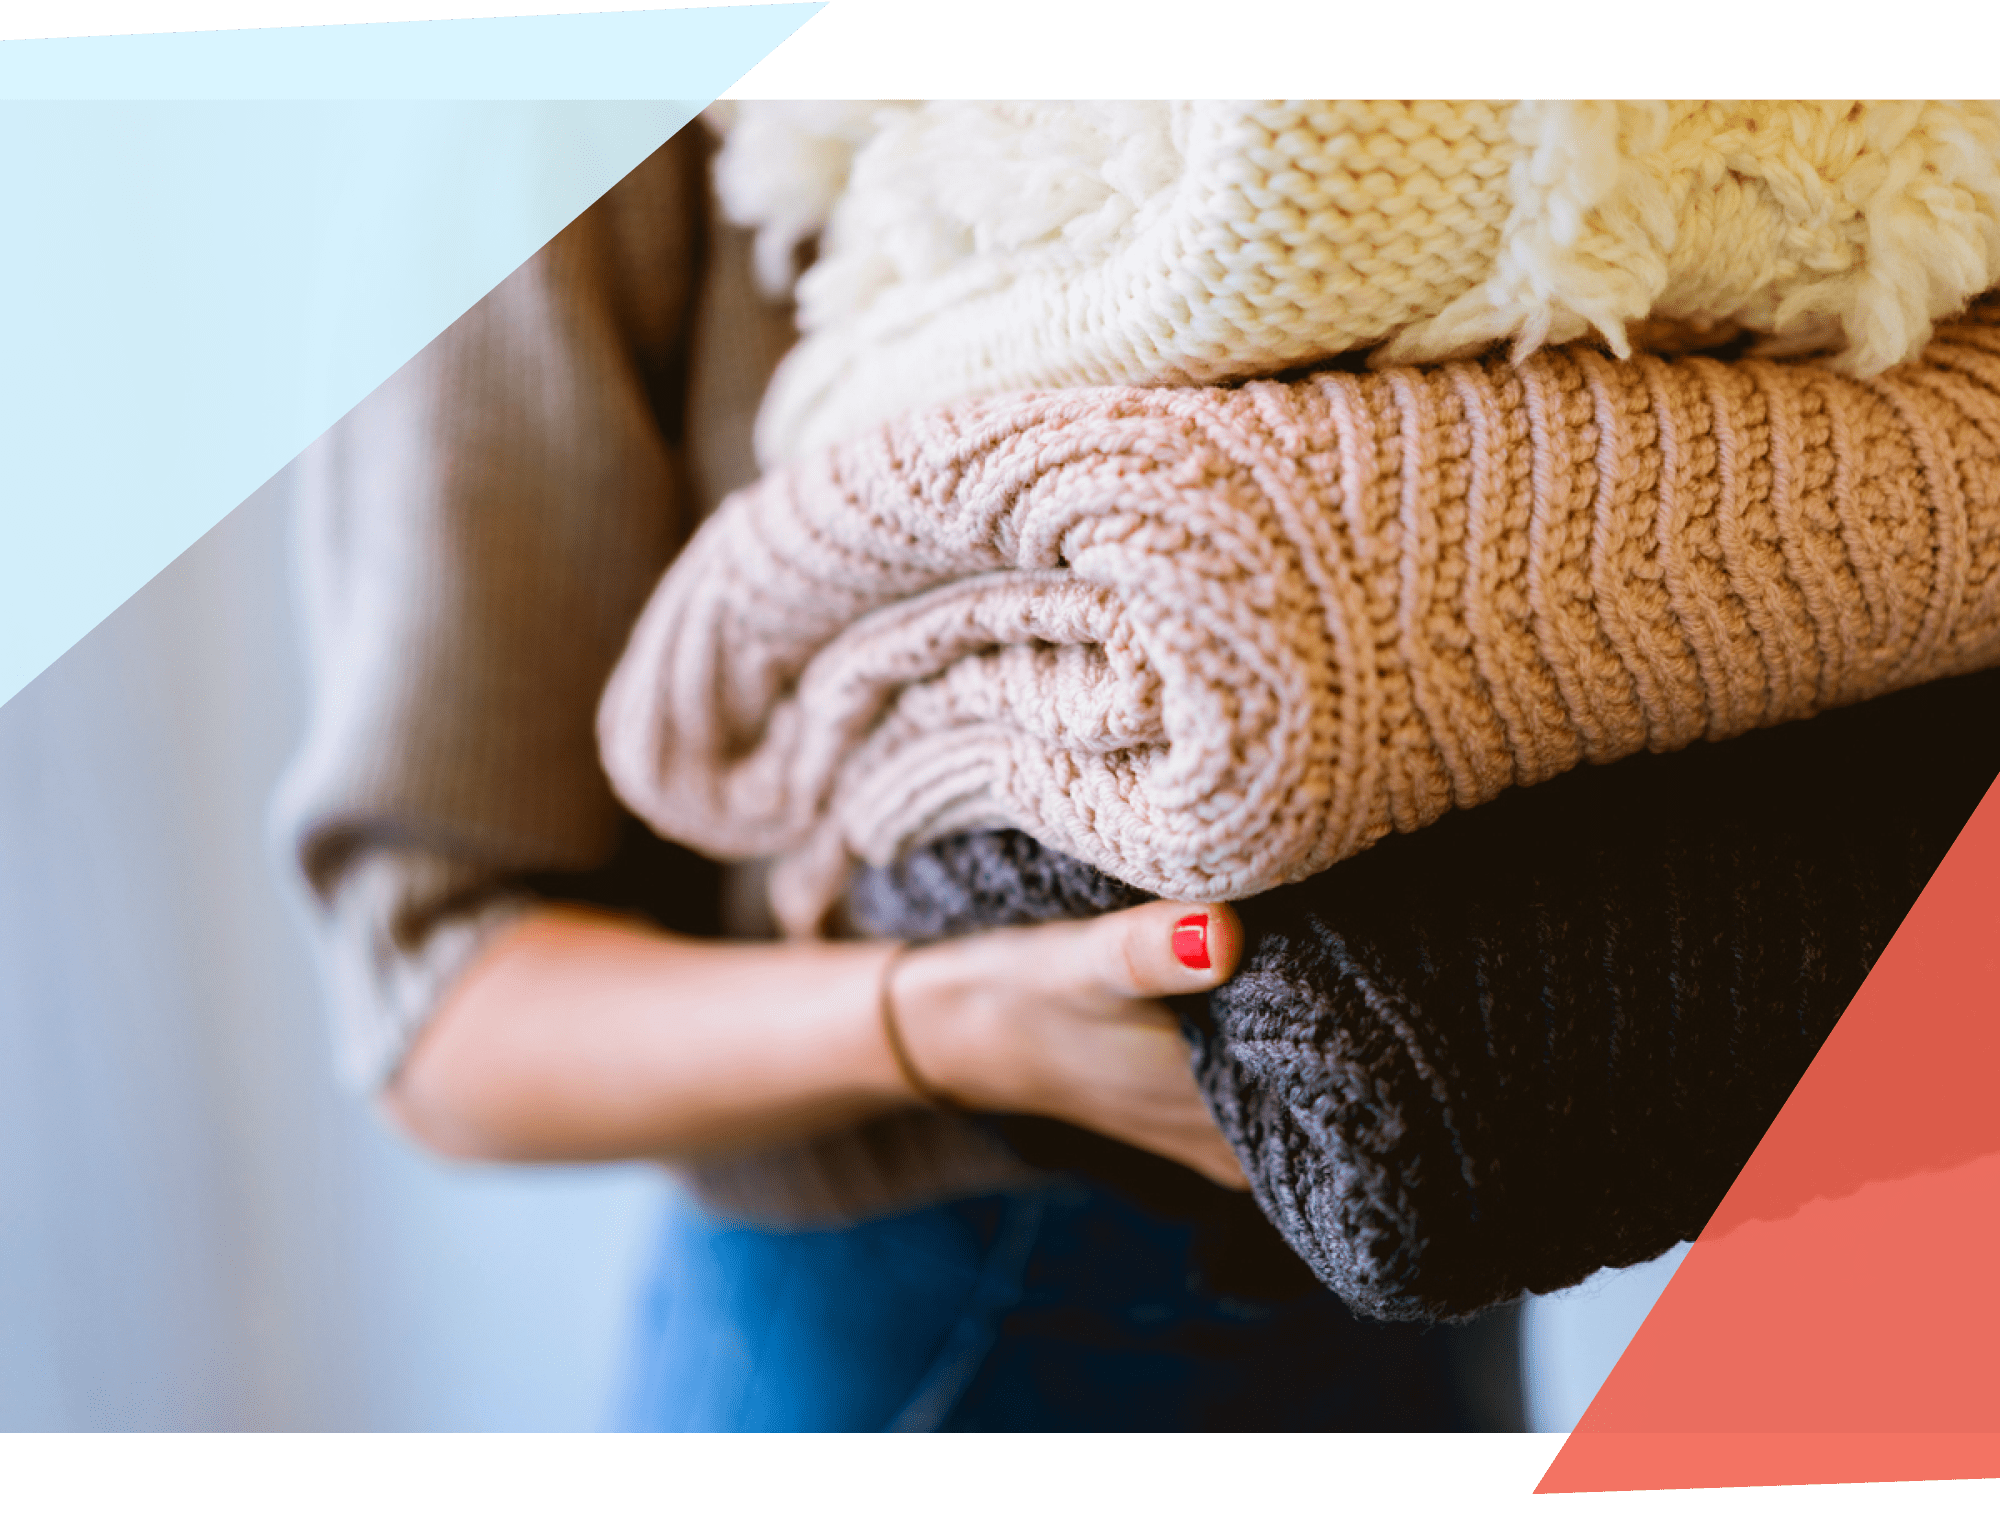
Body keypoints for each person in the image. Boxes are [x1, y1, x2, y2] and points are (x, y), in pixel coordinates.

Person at [276, 122, 1516, 1432]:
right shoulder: (557, 123)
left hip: (1439, 1246)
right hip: (947, 1318)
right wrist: (949, 1020)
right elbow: (439, 1007)